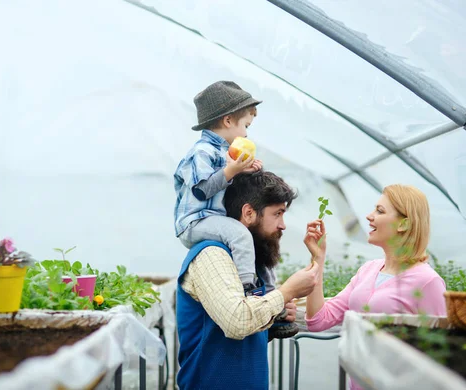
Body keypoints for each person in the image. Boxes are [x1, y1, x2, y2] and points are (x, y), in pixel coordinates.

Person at [174, 80, 298, 339]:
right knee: (241, 236)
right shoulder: (202, 151)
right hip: (196, 221)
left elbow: (231, 186)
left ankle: (272, 306)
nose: (246, 134)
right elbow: (202, 189)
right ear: (228, 120)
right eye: (245, 126)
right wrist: (232, 169)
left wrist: (245, 170)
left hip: (214, 219)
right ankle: (247, 290)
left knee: (255, 248)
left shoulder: (225, 151)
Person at [176, 171, 320, 390]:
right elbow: (237, 322)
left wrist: (276, 315)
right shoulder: (212, 255)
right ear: (249, 212)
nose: (283, 225)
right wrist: (286, 293)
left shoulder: (250, 264)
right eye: (277, 213)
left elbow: (244, 335)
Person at [304, 184, 447, 389]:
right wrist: (318, 258)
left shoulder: (428, 282)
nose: (369, 216)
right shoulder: (368, 270)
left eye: (380, 211)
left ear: (404, 224)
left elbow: (439, 356)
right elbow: (318, 320)